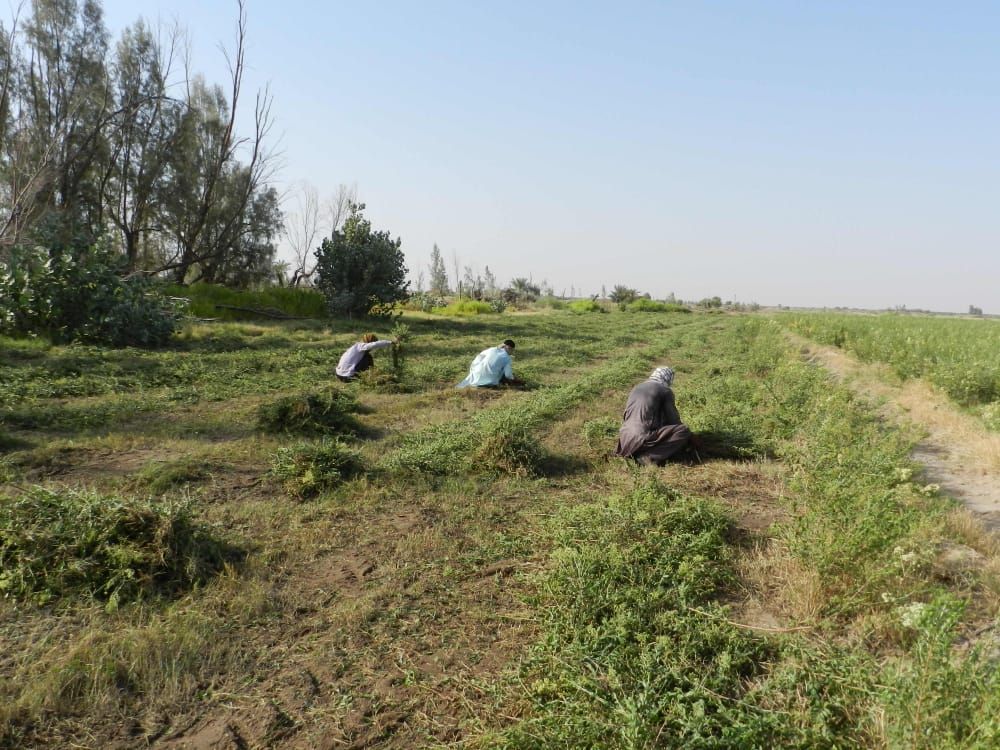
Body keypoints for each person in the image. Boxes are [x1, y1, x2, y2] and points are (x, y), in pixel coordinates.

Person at [614, 366, 695, 465]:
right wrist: (690, 437)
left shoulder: (637, 387)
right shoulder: (665, 391)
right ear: (668, 378)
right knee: (683, 430)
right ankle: (649, 457)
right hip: (641, 438)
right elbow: (674, 420)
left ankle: (636, 452)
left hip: (624, 439)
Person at [456, 339, 524, 388]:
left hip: (476, 374)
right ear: (510, 348)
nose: (512, 353)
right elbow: (508, 375)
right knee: (503, 371)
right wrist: (514, 379)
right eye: (512, 350)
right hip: (490, 381)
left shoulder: (492, 349)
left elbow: (479, 357)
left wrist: (474, 368)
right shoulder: (507, 358)